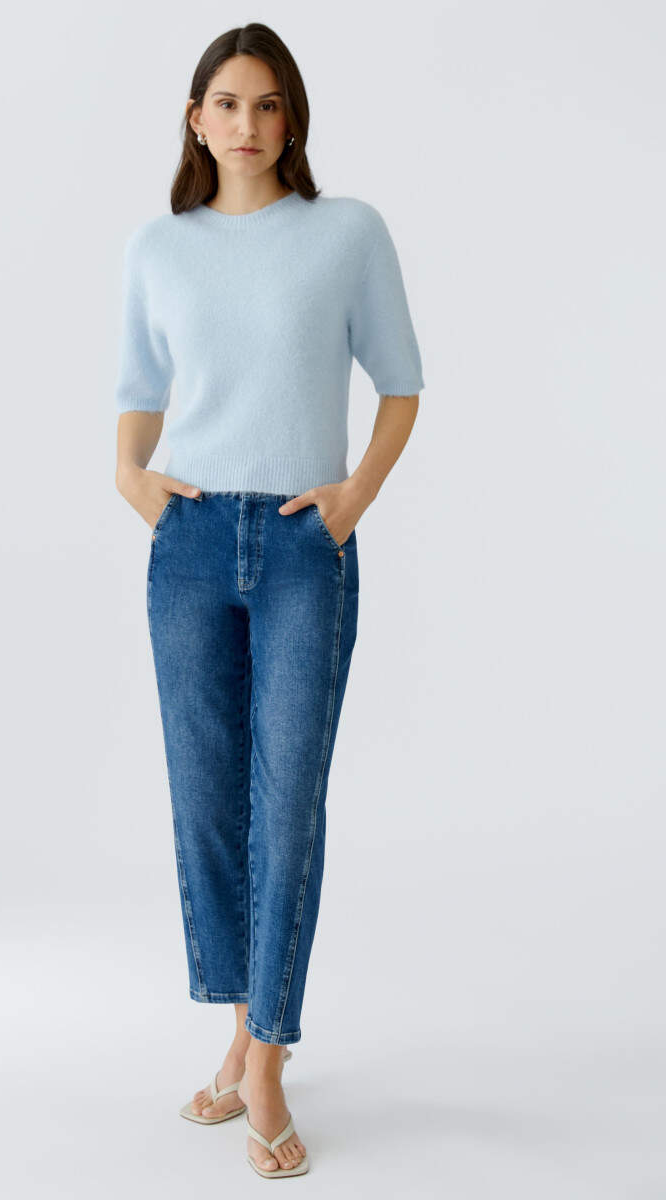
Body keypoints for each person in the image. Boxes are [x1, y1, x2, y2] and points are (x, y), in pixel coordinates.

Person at [113, 23, 424, 1179]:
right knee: (208, 802)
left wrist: (353, 498)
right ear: (195, 120)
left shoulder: (346, 233)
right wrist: (130, 478)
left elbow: (399, 384)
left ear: (291, 120)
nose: (246, 123)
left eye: (268, 103)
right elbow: (137, 390)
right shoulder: (159, 246)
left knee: (284, 803)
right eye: (227, 103)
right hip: (190, 546)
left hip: (303, 545)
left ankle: (266, 1058)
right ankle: (240, 1030)